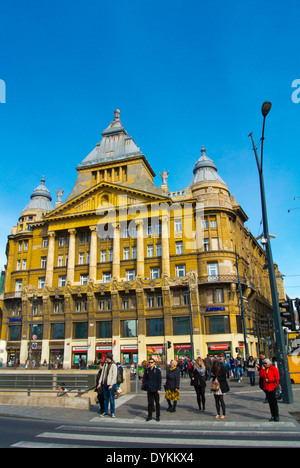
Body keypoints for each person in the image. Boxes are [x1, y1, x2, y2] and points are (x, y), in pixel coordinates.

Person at [97, 352, 118, 418]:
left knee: (111, 398)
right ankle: (105, 411)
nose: (106, 359)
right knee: (105, 398)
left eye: (107, 358)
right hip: (104, 383)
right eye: (106, 358)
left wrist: (111, 384)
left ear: (110, 358)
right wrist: (100, 383)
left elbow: (114, 376)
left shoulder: (113, 365)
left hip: (110, 384)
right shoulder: (105, 365)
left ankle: (112, 412)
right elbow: (102, 374)